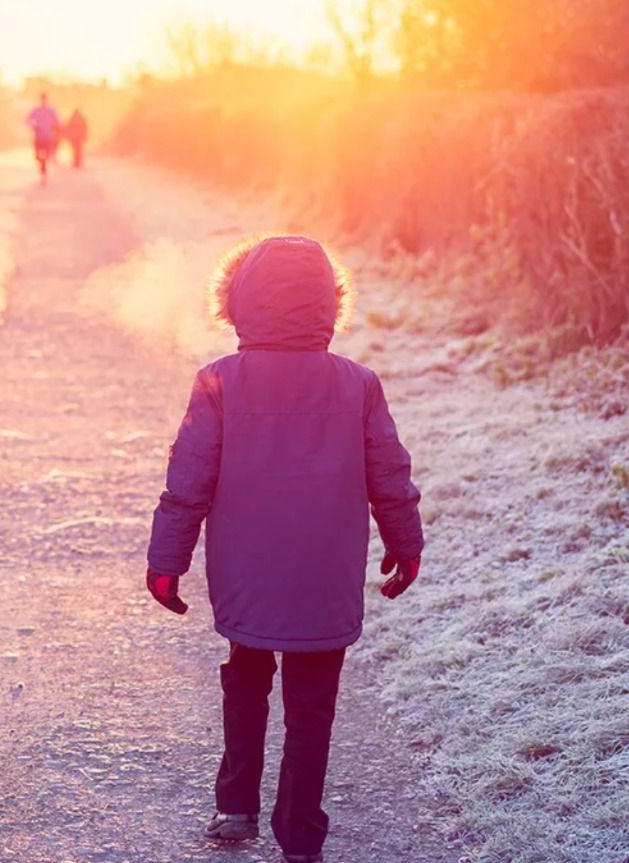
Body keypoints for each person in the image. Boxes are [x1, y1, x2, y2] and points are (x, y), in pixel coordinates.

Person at [143, 235, 424, 863]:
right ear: (330, 304)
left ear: (238, 302)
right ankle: (299, 834)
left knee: (246, 676)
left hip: (247, 571)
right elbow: (390, 473)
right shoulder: (358, 384)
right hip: (325, 574)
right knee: (313, 704)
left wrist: (168, 562)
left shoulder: (219, 380)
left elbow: (187, 480)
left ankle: (235, 806)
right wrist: (406, 544)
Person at [25, 92, 60, 185]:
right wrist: (33, 125)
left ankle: (43, 173)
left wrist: (54, 129)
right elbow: (27, 119)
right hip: (39, 137)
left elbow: (57, 122)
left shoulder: (51, 110)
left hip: (47, 137)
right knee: (38, 156)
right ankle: (42, 169)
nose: (43, 101)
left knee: (46, 157)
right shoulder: (36, 110)